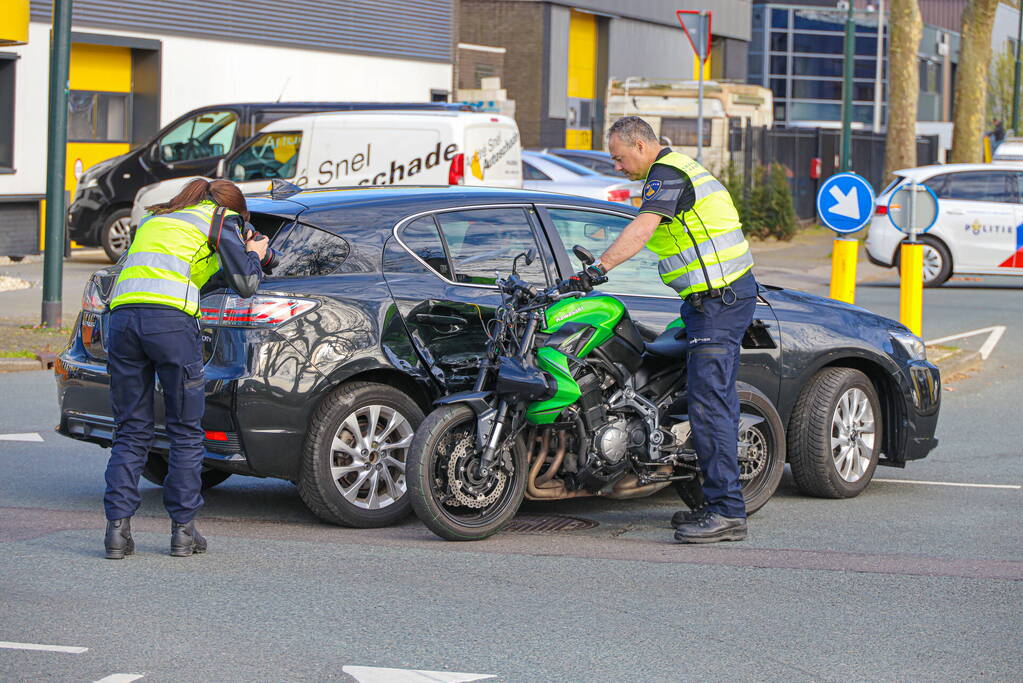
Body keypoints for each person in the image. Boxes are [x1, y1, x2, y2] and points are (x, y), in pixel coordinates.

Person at [564, 116, 757, 543]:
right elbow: (641, 229)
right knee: (701, 400)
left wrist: (599, 268)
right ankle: (711, 499)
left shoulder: (667, 174)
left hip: (720, 303)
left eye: (618, 157)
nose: (616, 166)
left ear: (640, 144)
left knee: (710, 405)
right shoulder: (674, 174)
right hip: (709, 301)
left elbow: (643, 228)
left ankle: (727, 512)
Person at [103, 178, 269, 559]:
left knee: (130, 429)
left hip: (124, 320)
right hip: (171, 327)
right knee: (184, 430)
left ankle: (117, 533)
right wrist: (254, 253)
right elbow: (246, 283)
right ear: (233, 210)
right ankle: (182, 532)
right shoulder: (219, 219)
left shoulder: (155, 220)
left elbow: (184, 271)